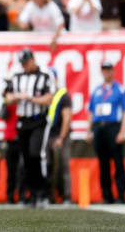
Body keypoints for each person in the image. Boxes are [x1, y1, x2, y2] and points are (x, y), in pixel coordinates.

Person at [3, 48, 55, 208]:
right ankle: (30, 194)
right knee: (25, 158)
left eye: (26, 62)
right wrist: (17, 97)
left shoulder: (46, 75)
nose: (24, 66)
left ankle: (43, 192)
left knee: (36, 154)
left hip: (38, 120)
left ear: (33, 60)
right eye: (22, 63)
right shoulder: (17, 76)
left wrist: (31, 98)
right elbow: (7, 97)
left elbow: (49, 99)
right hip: (22, 121)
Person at [86, 62, 125, 204]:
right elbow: (91, 112)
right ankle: (107, 195)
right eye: (104, 70)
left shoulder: (120, 89)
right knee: (103, 164)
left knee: (118, 163)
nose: (106, 72)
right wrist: (89, 131)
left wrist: (122, 131)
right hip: (99, 128)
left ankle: (121, 195)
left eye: (108, 70)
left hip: (113, 128)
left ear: (113, 71)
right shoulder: (97, 90)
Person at [46, 72, 72, 204]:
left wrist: (61, 137)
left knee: (63, 166)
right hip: (47, 135)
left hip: (60, 135)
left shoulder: (63, 95)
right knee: (48, 166)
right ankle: (49, 196)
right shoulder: (44, 94)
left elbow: (67, 117)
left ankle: (66, 196)